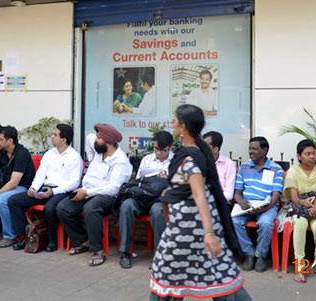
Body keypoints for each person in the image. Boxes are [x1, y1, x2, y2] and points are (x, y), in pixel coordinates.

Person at [150, 104, 250, 300]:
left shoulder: (190, 158)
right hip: (191, 227)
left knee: (167, 275)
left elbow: (199, 194)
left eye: (175, 120)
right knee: (219, 273)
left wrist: (209, 233)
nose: (173, 123)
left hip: (188, 229)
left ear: (183, 126)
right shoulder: (197, 151)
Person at [57, 123, 132, 266]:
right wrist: (84, 190)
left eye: (99, 138)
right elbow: (89, 137)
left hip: (108, 197)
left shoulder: (120, 161)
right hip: (88, 191)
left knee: (91, 208)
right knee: (63, 207)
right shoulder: (99, 152)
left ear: (108, 141)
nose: (95, 141)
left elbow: (113, 189)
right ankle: (82, 240)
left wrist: (87, 192)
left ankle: (98, 250)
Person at [8, 123, 83, 252]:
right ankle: (23, 238)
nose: (52, 136)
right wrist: (33, 188)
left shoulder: (75, 157)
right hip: (44, 189)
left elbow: (74, 183)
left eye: (55, 134)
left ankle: (51, 241)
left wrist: (53, 191)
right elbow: (40, 174)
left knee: (50, 208)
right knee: (14, 201)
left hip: (62, 191)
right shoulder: (49, 154)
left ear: (64, 140)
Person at [118, 130, 173, 269]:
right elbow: (138, 182)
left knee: (158, 211)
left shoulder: (175, 161)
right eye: (156, 149)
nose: (159, 153)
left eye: (163, 150)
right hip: (143, 197)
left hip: (160, 199)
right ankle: (125, 252)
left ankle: (159, 256)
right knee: (126, 206)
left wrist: (168, 178)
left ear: (170, 147)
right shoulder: (147, 159)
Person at [283, 139, 316, 283]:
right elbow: (294, 197)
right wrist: (303, 202)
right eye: (307, 153)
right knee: (299, 223)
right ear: (299, 156)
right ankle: (300, 267)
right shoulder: (293, 171)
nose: (312, 156)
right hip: (300, 207)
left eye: (313, 153)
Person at [232, 136, 283, 273]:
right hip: (247, 205)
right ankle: (249, 253)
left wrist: (264, 207)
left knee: (266, 223)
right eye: (249, 148)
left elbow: (275, 195)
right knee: (234, 221)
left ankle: (260, 255)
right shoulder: (244, 167)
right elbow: (237, 193)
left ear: (265, 150)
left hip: (267, 206)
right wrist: (241, 202)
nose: (250, 151)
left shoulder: (275, 169)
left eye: (254, 148)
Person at [204, 131, 236, 202]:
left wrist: (210, 201)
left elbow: (229, 193)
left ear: (215, 149)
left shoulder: (229, 164)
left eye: (205, 146)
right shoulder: (198, 162)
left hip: (219, 204)